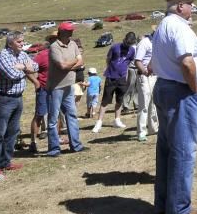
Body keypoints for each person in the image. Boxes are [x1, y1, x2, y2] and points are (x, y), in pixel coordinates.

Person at [151, 0, 197, 214]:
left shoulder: (164, 26)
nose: (193, 8)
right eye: (191, 4)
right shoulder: (179, 27)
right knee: (184, 151)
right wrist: (194, 89)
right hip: (180, 91)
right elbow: (187, 62)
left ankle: (164, 204)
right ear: (181, 6)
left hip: (165, 87)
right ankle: (179, 208)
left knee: (166, 149)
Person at [0, 32, 38, 175]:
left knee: (13, 131)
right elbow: (12, 75)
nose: (22, 44)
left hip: (18, 98)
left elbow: (35, 67)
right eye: (19, 42)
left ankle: (6, 161)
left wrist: (21, 66)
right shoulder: (2, 56)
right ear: (10, 43)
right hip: (3, 99)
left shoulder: (22, 55)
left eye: (23, 41)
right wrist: (25, 68)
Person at [45, 22, 86, 156]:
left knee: (72, 115)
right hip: (56, 87)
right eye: (68, 31)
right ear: (61, 32)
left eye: (71, 30)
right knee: (53, 119)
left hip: (69, 85)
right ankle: (54, 149)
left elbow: (81, 61)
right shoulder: (54, 47)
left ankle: (76, 145)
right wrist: (74, 63)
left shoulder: (73, 44)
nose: (71, 33)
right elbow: (62, 66)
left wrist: (71, 65)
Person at [93, 32, 136, 134]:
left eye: (129, 44)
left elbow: (129, 61)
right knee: (105, 101)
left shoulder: (132, 50)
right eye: (126, 43)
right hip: (111, 77)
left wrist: (123, 73)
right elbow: (108, 59)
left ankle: (117, 120)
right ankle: (99, 122)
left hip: (122, 79)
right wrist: (111, 70)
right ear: (124, 39)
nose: (127, 45)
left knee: (120, 100)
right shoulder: (115, 47)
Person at [29, 33, 57, 154]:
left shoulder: (62, 53)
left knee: (55, 115)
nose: (56, 41)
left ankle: (54, 140)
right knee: (39, 115)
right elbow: (28, 69)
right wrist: (36, 82)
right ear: (50, 41)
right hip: (44, 89)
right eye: (54, 39)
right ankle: (33, 142)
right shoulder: (42, 55)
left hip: (57, 89)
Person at [132, 31, 159, 143]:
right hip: (144, 77)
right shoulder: (144, 43)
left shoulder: (156, 43)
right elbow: (137, 61)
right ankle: (141, 132)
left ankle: (153, 128)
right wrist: (144, 71)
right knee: (144, 105)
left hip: (154, 76)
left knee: (153, 103)